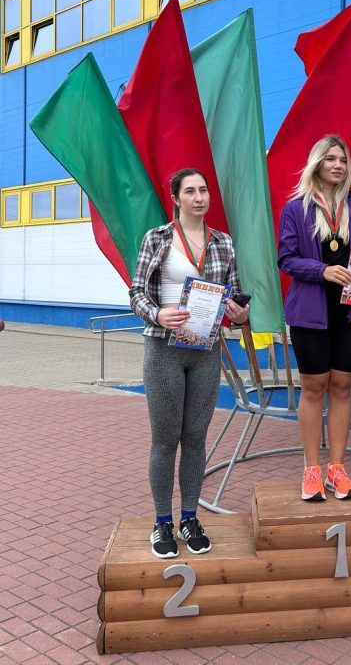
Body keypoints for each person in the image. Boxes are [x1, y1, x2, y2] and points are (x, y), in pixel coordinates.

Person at [130, 168, 249, 558]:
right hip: (163, 349)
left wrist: (239, 313)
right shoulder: (157, 238)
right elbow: (136, 292)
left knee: (196, 438)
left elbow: (233, 296)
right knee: (166, 440)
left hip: (205, 349)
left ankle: (189, 517)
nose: (199, 198)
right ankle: (162, 522)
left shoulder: (223, 242)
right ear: (175, 198)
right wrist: (157, 314)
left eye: (203, 190)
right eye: (190, 191)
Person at [278, 135, 351, 502]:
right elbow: (286, 259)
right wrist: (323, 271)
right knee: (314, 388)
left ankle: (337, 469)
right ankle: (312, 469)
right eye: (330, 159)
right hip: (310, 312)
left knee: (343, 387)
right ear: (317, 163)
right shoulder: (295, 208)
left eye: (343, 160)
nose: (338, 165)